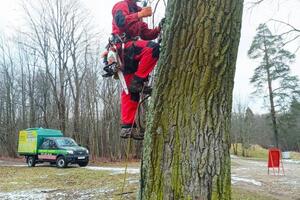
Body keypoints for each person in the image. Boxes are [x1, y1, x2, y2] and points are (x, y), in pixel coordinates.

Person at [111, 0, 162, 140]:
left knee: (130, 91)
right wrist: (140, 14)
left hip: (131, 50)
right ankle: (138, 81)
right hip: (123, 47)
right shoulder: (122, 6)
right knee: (153, 49)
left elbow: (146, 34)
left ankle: (127, 128)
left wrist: (158, 28)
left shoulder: (137, 9)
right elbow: (121, 22)